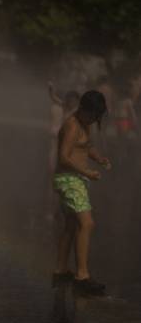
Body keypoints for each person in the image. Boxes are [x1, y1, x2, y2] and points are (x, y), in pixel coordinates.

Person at [53, 90, 110, 295]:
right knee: (87, 223)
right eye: (95, 115)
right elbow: (64, 157)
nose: (96, 119)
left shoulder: (84, 124)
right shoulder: (72, 125)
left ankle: (60, 270)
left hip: (76, 180)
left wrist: (99, 159)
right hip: (69, 180)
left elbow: (86, 147)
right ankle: (82, 276)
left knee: (71, 225)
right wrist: (86, 172)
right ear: (85, 109)